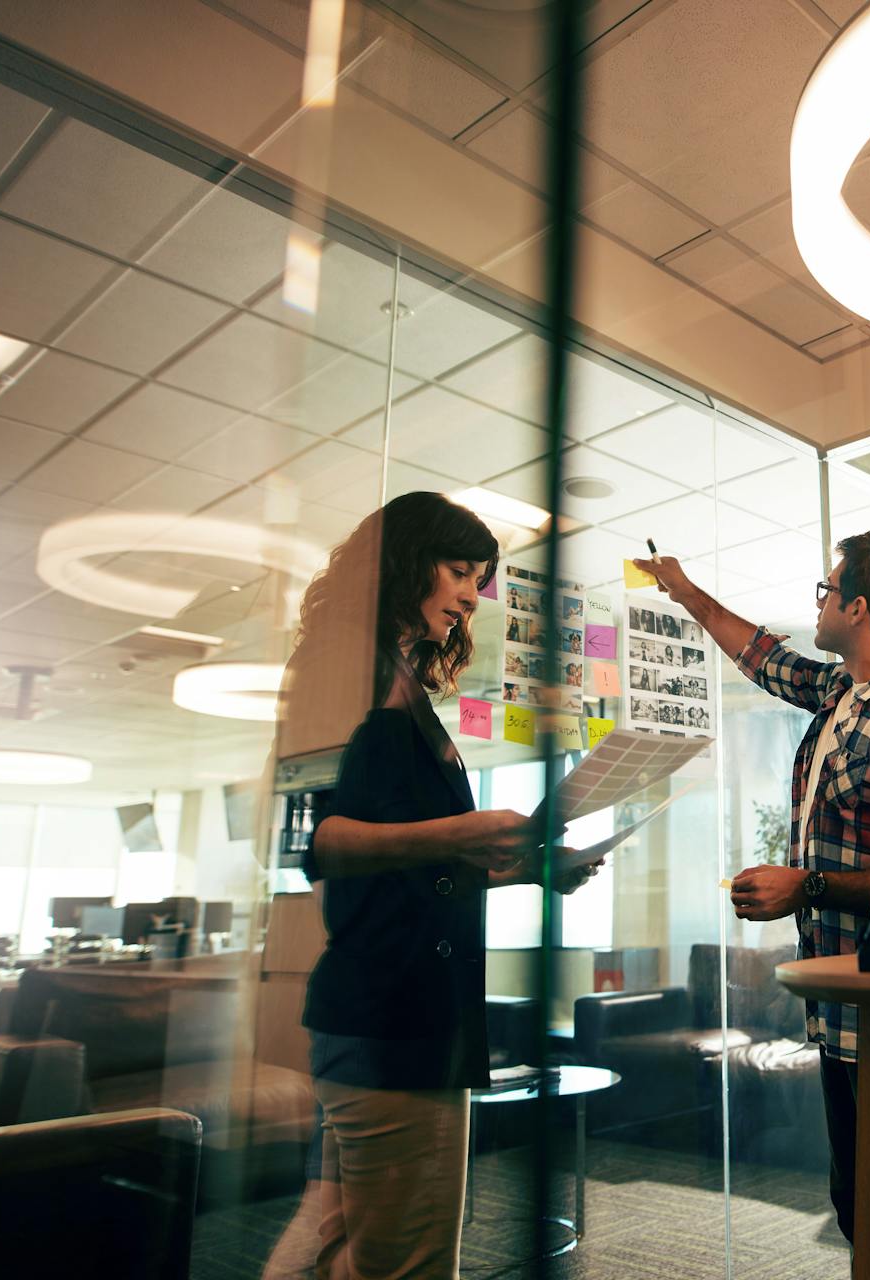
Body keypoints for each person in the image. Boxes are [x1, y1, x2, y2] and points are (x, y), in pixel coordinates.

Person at [631, 529, 870, 1279]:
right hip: (840, 1011)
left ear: (857, 609)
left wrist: (811, 886)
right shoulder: (842, 695)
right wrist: (683, 589)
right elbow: (762, 656)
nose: (818, 604)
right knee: (865, 1210)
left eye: (827, 592)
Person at [283, 491, 600, 1280]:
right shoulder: (346, 667)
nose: (469, 595)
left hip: (391, 1013)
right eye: (458, 570)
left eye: (478, 579)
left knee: (350, 1257)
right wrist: (463, 832)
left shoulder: (394, 680)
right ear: (402, 562)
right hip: (393, 1023)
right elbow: (310, 842)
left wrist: (525, 869)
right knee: (410, 1265)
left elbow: (413, 873)